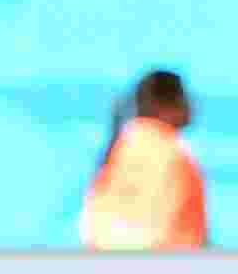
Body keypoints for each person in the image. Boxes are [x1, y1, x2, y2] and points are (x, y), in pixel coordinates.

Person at [78, 68, 205, 249]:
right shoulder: (173, 152)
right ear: (167, 105)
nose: (192, 105)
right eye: (185, 98)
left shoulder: (121, 146)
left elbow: (93, 220)